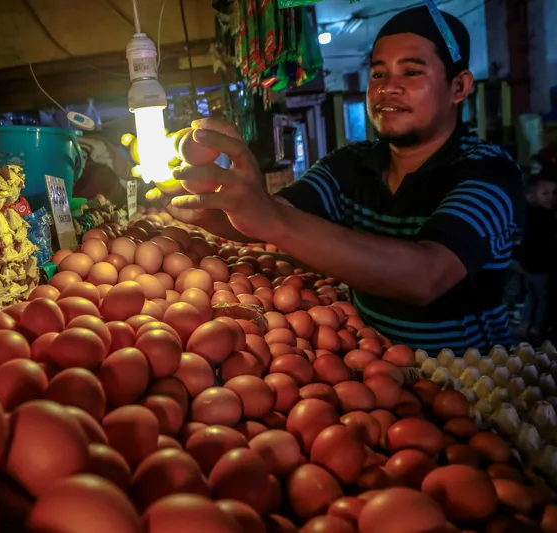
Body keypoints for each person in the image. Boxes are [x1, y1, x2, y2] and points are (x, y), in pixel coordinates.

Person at [151, 6, 525, 353]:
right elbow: (267, 218)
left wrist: (271, 218)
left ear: (459, 87)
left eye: (411, 72)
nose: (386, 88)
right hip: (377, 366)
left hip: (470, 381)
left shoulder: (488, 172)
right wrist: (200, 202)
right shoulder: (352, 164)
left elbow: (426, 276)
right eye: (378, 73)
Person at [517, 175, 557, 343]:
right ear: (530, 196)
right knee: (544, 298)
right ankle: (536, 328)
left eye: (554, 192)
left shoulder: (528, 213)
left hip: (527, 265)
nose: (552, 197)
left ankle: (524, 325)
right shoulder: (545, 216)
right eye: (545, 193)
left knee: (531, 296)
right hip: (539, 267)